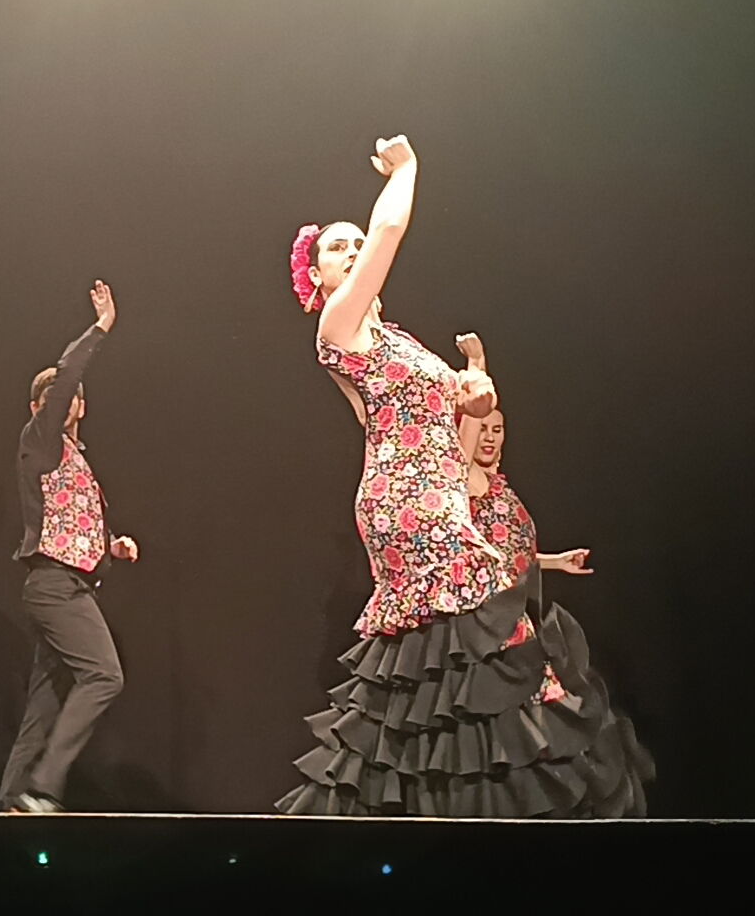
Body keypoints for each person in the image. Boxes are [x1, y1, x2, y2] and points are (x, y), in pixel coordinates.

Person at [276, 135, 640, 816]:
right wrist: (406, 170)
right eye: (336, 248)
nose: (352, 250)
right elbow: (389, 229)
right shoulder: (339, 327)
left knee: (443, 664)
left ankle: (432, 806)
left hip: (444, 498)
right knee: (486, 640)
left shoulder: (399, 342)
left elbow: (462, 415)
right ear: (317, 280)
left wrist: (474, 391)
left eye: (355, 243)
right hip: (407, 501)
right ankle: (472, 805)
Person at [456, 332, 654, 815]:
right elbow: (469, 426)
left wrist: (553, 561)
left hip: (522, 619)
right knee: (519, 723)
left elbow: (510, 550)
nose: (490, 437)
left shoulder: (497, 484)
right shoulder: (466, 479)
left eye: (499, 429)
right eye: (483, 429)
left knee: (548, 719)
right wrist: (479, 366)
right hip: (489, 623)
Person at [0, 281, 139, 814]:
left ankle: (12, 802)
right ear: (39, 407)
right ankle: (43, 787)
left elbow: (71, 520)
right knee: (104, 675)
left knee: (45, 703)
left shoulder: (74, 458)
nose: (68, 401)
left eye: (74, 397)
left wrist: (112, 546)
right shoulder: (40, 441)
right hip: (55, 587)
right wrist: (100, 328)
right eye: (57, 398)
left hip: (69, 583)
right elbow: (66, 377)